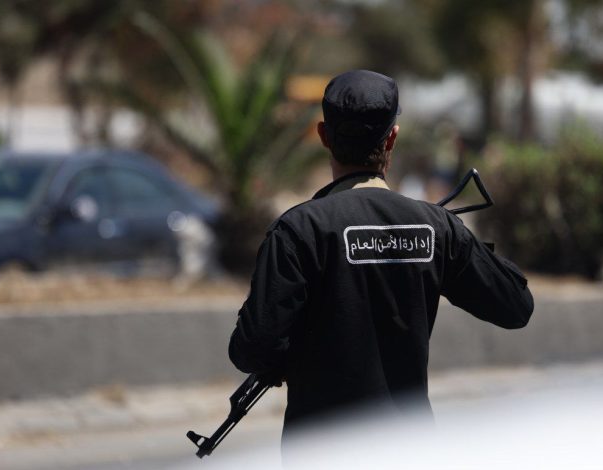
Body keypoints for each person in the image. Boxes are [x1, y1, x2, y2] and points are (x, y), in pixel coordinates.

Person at [228, 70, 534, 444]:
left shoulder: (298, 230)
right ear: (392, 138)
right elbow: (516, 305)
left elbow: (251, 349)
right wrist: (456, 244)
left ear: (324, 136)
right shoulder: (436, 227)